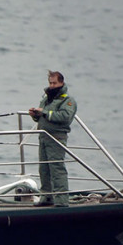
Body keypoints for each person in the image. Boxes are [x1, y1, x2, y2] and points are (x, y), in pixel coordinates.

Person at [28, 70, 77, 207]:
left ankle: (61, 200)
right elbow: (42, 116)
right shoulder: (46, 98)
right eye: (50, 83)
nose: (52, 86)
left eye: (54, 83)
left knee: (57, 169)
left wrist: (44, 112)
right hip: (43, 136)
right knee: (44, 169)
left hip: (56, 137)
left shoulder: (68, 100)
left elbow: (65, 117)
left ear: (61, 82)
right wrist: (35, 115)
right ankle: (46, 197)